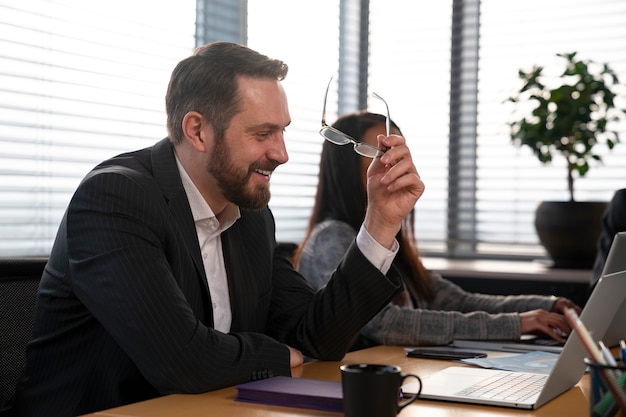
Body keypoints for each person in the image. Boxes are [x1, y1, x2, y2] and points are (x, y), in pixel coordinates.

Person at [12, 43, 425, 417]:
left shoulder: (250, 215)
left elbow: (315, 338)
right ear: (198, 131)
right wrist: (279, 355)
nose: (281, 153)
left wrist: (380, 222)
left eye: (282, 131)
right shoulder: (115, 197)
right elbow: (183, 361)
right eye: (263, 133)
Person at [293, 111, 582, 349]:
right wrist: (517, 324)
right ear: (345, 165)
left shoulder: (386, 239)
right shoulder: (331, 239)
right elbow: (385, 324)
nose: (393, 162)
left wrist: (546, 305)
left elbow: (454, 300)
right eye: (380, 151)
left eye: (397, 151)